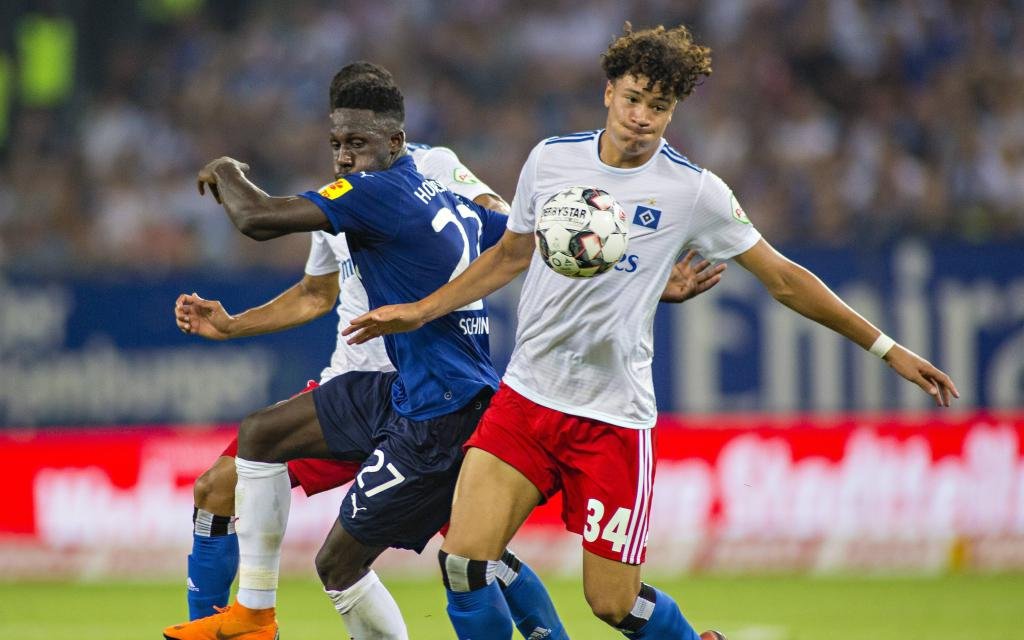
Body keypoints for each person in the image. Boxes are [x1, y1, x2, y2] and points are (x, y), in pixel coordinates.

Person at [344, 23, 960, 640]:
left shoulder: (693, 192)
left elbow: (784, 279)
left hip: (612, 420)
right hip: (526, 401)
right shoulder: (550, 160)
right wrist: (422, 309)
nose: (642, 117)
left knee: (612, 604)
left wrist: (887, 348)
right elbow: (509, 256)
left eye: (659, 107)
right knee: (463, 562)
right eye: (634, 98)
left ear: (673, 112)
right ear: (609, 92)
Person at [163, 68, 571, 640]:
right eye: (336, 141)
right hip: (366, 383)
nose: (343, 153)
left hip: (430, 393)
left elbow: (502, 225)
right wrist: (233, 326)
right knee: (228, 476)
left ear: (394, 136)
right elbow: (315, 294)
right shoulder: (338, 196)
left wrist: (429, 304)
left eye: (355, 140)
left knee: (472, 550)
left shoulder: (429, 170)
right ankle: (237, 621)